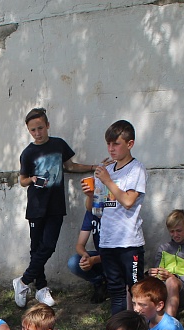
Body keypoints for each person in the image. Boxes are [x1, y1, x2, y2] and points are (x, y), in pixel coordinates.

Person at [14, 107, 97, 308]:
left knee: (48, 246)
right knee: (37, 249)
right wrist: (31, 179)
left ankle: (22, 282)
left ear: (48, 125)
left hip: (56, 205)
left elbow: (70, 166)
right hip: (36, 207)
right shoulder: (28, 153)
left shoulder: (58, 145)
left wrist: (94, 167)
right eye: (32, 130)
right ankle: (41, 287)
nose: (37, 133)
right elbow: (22, 180)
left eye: (40, 128)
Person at [82, 120, 147, 314]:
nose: (111, 149)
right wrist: (90, 195)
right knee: (116, 290)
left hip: (129, 242)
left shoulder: (137, 169)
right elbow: (96, 209)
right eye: (108, 144)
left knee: (136, 290)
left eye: (116, 144)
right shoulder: (106, 171)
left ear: (130, 144)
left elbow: (128, 201)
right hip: (108, 242)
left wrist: (108, 181)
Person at [149, 209, 184, 317]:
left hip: (183, 291)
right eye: (172, 231)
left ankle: (169, 324)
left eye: (179, 231)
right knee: (136, 280)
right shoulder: (164, 248)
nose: (175, 234)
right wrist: (153, 274)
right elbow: (157, 272)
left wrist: (171, 276)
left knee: (172, 282)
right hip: (162, 288)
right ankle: (135, 321)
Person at [68, 202, 106, 303]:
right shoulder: (91, 212)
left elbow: (116, 253)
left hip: (116, 258)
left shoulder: (113, 213)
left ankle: (113, 284)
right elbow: (79, 245)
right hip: (102, 258)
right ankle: (100, 283)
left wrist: (93, 260)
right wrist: (85, 256)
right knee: (74, 262)